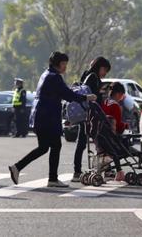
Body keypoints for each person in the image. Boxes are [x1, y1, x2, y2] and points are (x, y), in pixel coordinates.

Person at [8, 52, 96, 187]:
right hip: (48, 118)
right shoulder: (55, 78)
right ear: (59, 64)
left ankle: (18, 167)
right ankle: (52, 179)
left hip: (40, 117)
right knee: (55, 145)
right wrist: (85, 98)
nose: (65, 67)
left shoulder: (46, 74)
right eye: (64, 64)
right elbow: (67, 94)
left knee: (44, 147)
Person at [73, 56, 111, 182]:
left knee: (83, 143)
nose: (105, 73)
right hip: (91, 115)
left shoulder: (86, 75)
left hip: (85, 113)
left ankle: (77, 171)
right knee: (100, 141)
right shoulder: (93, 78)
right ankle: (105, 169)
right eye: (105, 70)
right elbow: (94, 97)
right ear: (100, 67)